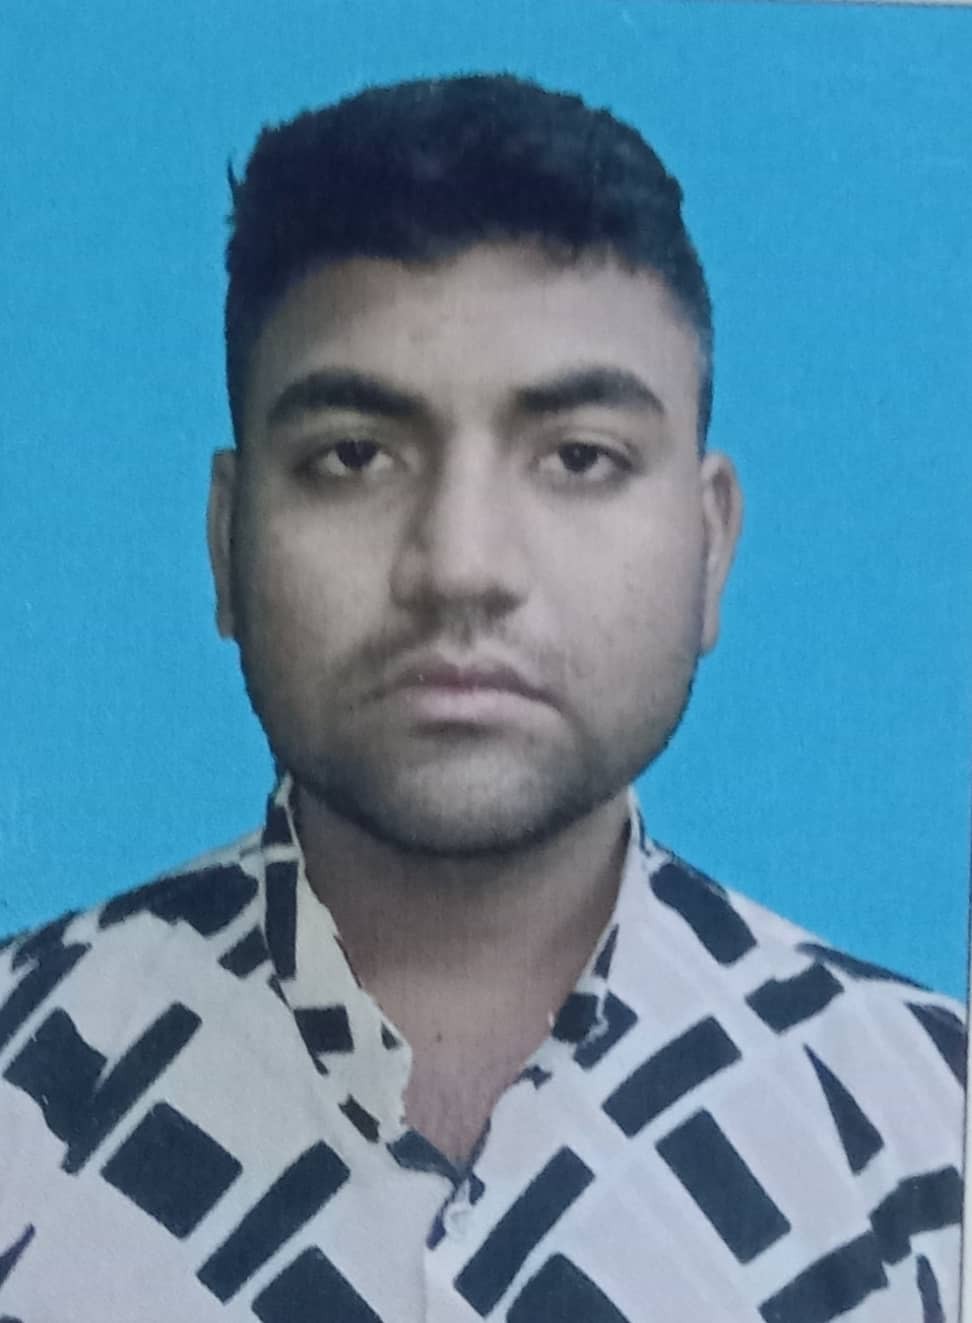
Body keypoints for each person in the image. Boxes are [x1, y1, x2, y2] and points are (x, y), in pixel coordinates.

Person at [0, 73, 963, 1323]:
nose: (460, 566)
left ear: (711, 546)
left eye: (579, 458)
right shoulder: (21, 1091)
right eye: (355, 456)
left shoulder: (930, 1139)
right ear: (227, 540)